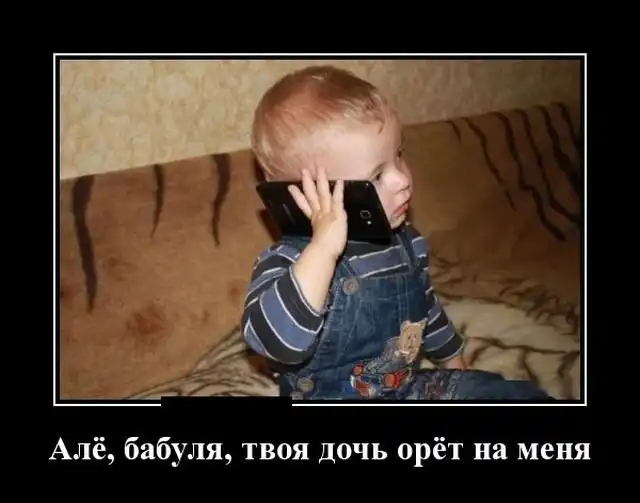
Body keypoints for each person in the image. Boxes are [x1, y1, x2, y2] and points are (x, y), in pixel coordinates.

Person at [241, 65, 551, 401]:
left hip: (405, 386)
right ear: (305, 194)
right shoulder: (287, 261)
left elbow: (425, 309)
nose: (402, 179)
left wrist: (454, 362)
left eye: (399, 155)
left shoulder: (408, 242)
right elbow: (276, 344)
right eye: (376, 176)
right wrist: (323, 251)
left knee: (505, 392)